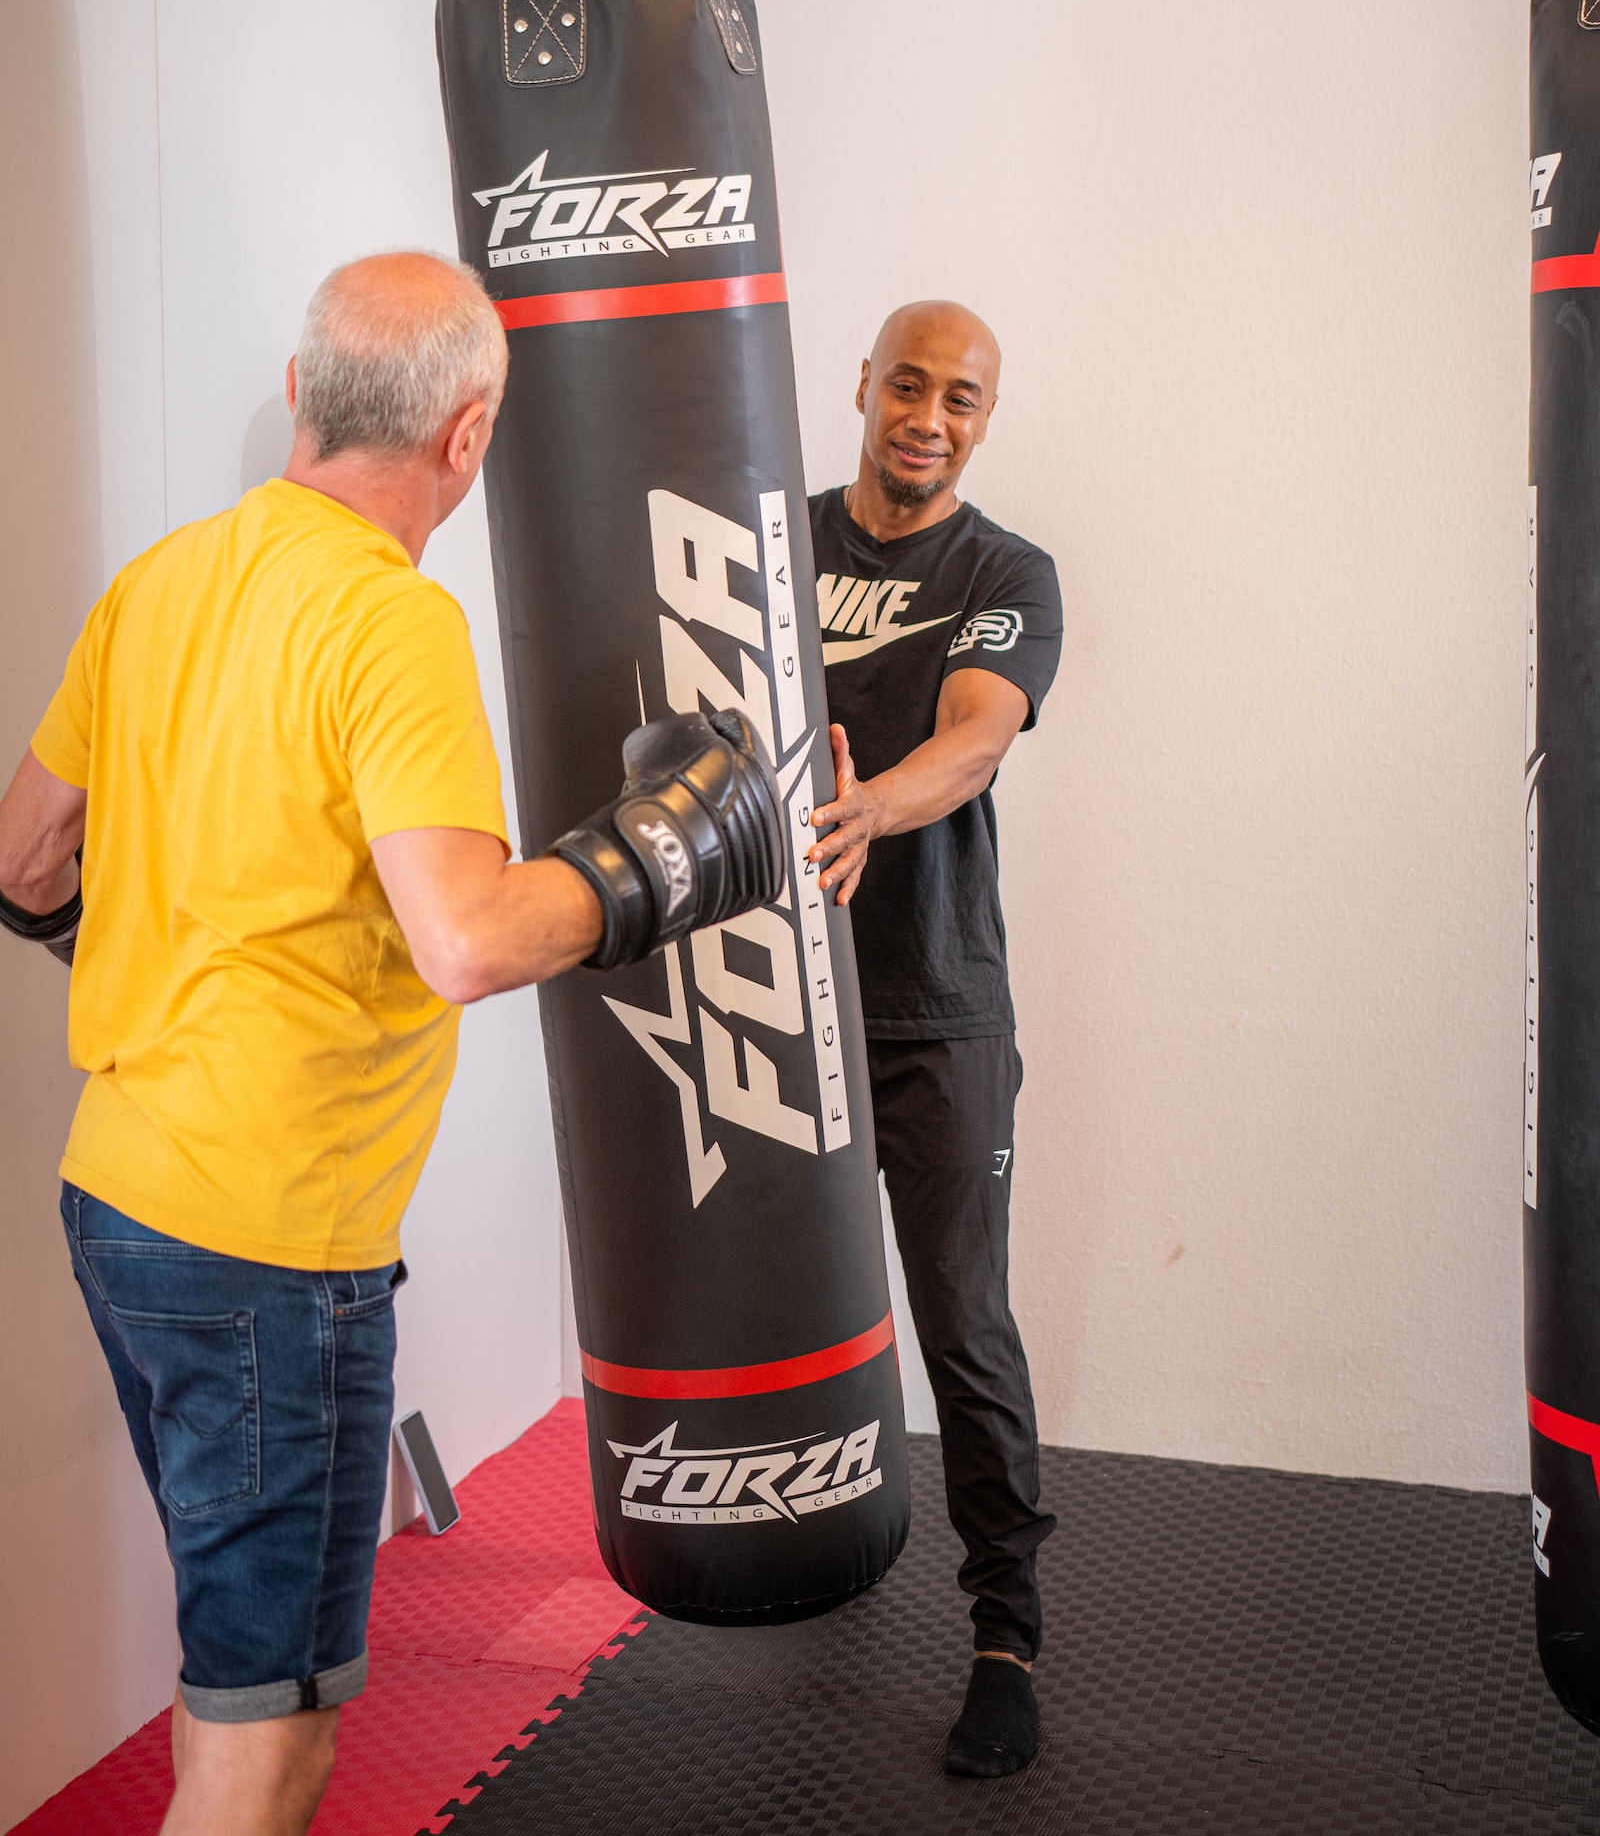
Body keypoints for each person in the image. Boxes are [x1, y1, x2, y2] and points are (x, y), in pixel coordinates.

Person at [0, 251, 779, 1836]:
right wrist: (665, 860)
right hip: (266, 1248)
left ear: (301, 394)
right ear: (469, 435)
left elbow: (24, 863)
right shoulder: (389, 623)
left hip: (116, 1206)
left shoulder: (158, 581)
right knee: (265, 1745)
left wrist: (195, 931)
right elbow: (470, 938)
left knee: (237, 1664)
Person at [806, 300, 1062, 1782]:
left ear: (982, 419)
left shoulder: (1001, 570)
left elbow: (975, 735)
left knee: (961, 1323)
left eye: (960, 398)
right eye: (908, 384)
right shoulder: (769, 544)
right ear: (864, 385)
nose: (929, 416)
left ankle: (1005, 1635)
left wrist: (870, 807)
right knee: (772, 1296)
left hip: (932, 1003)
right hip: (779, 990)